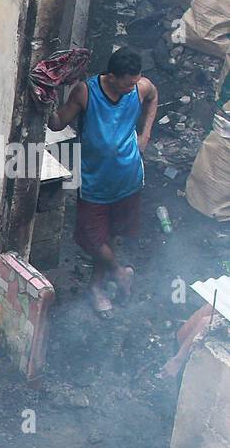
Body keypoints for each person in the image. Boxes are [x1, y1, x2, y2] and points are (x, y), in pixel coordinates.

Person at [49, 47, 158, 318]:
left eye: (135, 82)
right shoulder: (86, 92)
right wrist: (44, 101)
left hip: (129, 178)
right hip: (94, 182)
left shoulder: (140, 88)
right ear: (112, 75)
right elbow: (57, 122)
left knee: (111, 235)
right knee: (92, 238)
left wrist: (145, 135)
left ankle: (96, 289)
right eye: (127, 83)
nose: (131, 88)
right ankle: (120, 273)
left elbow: (153, 96)